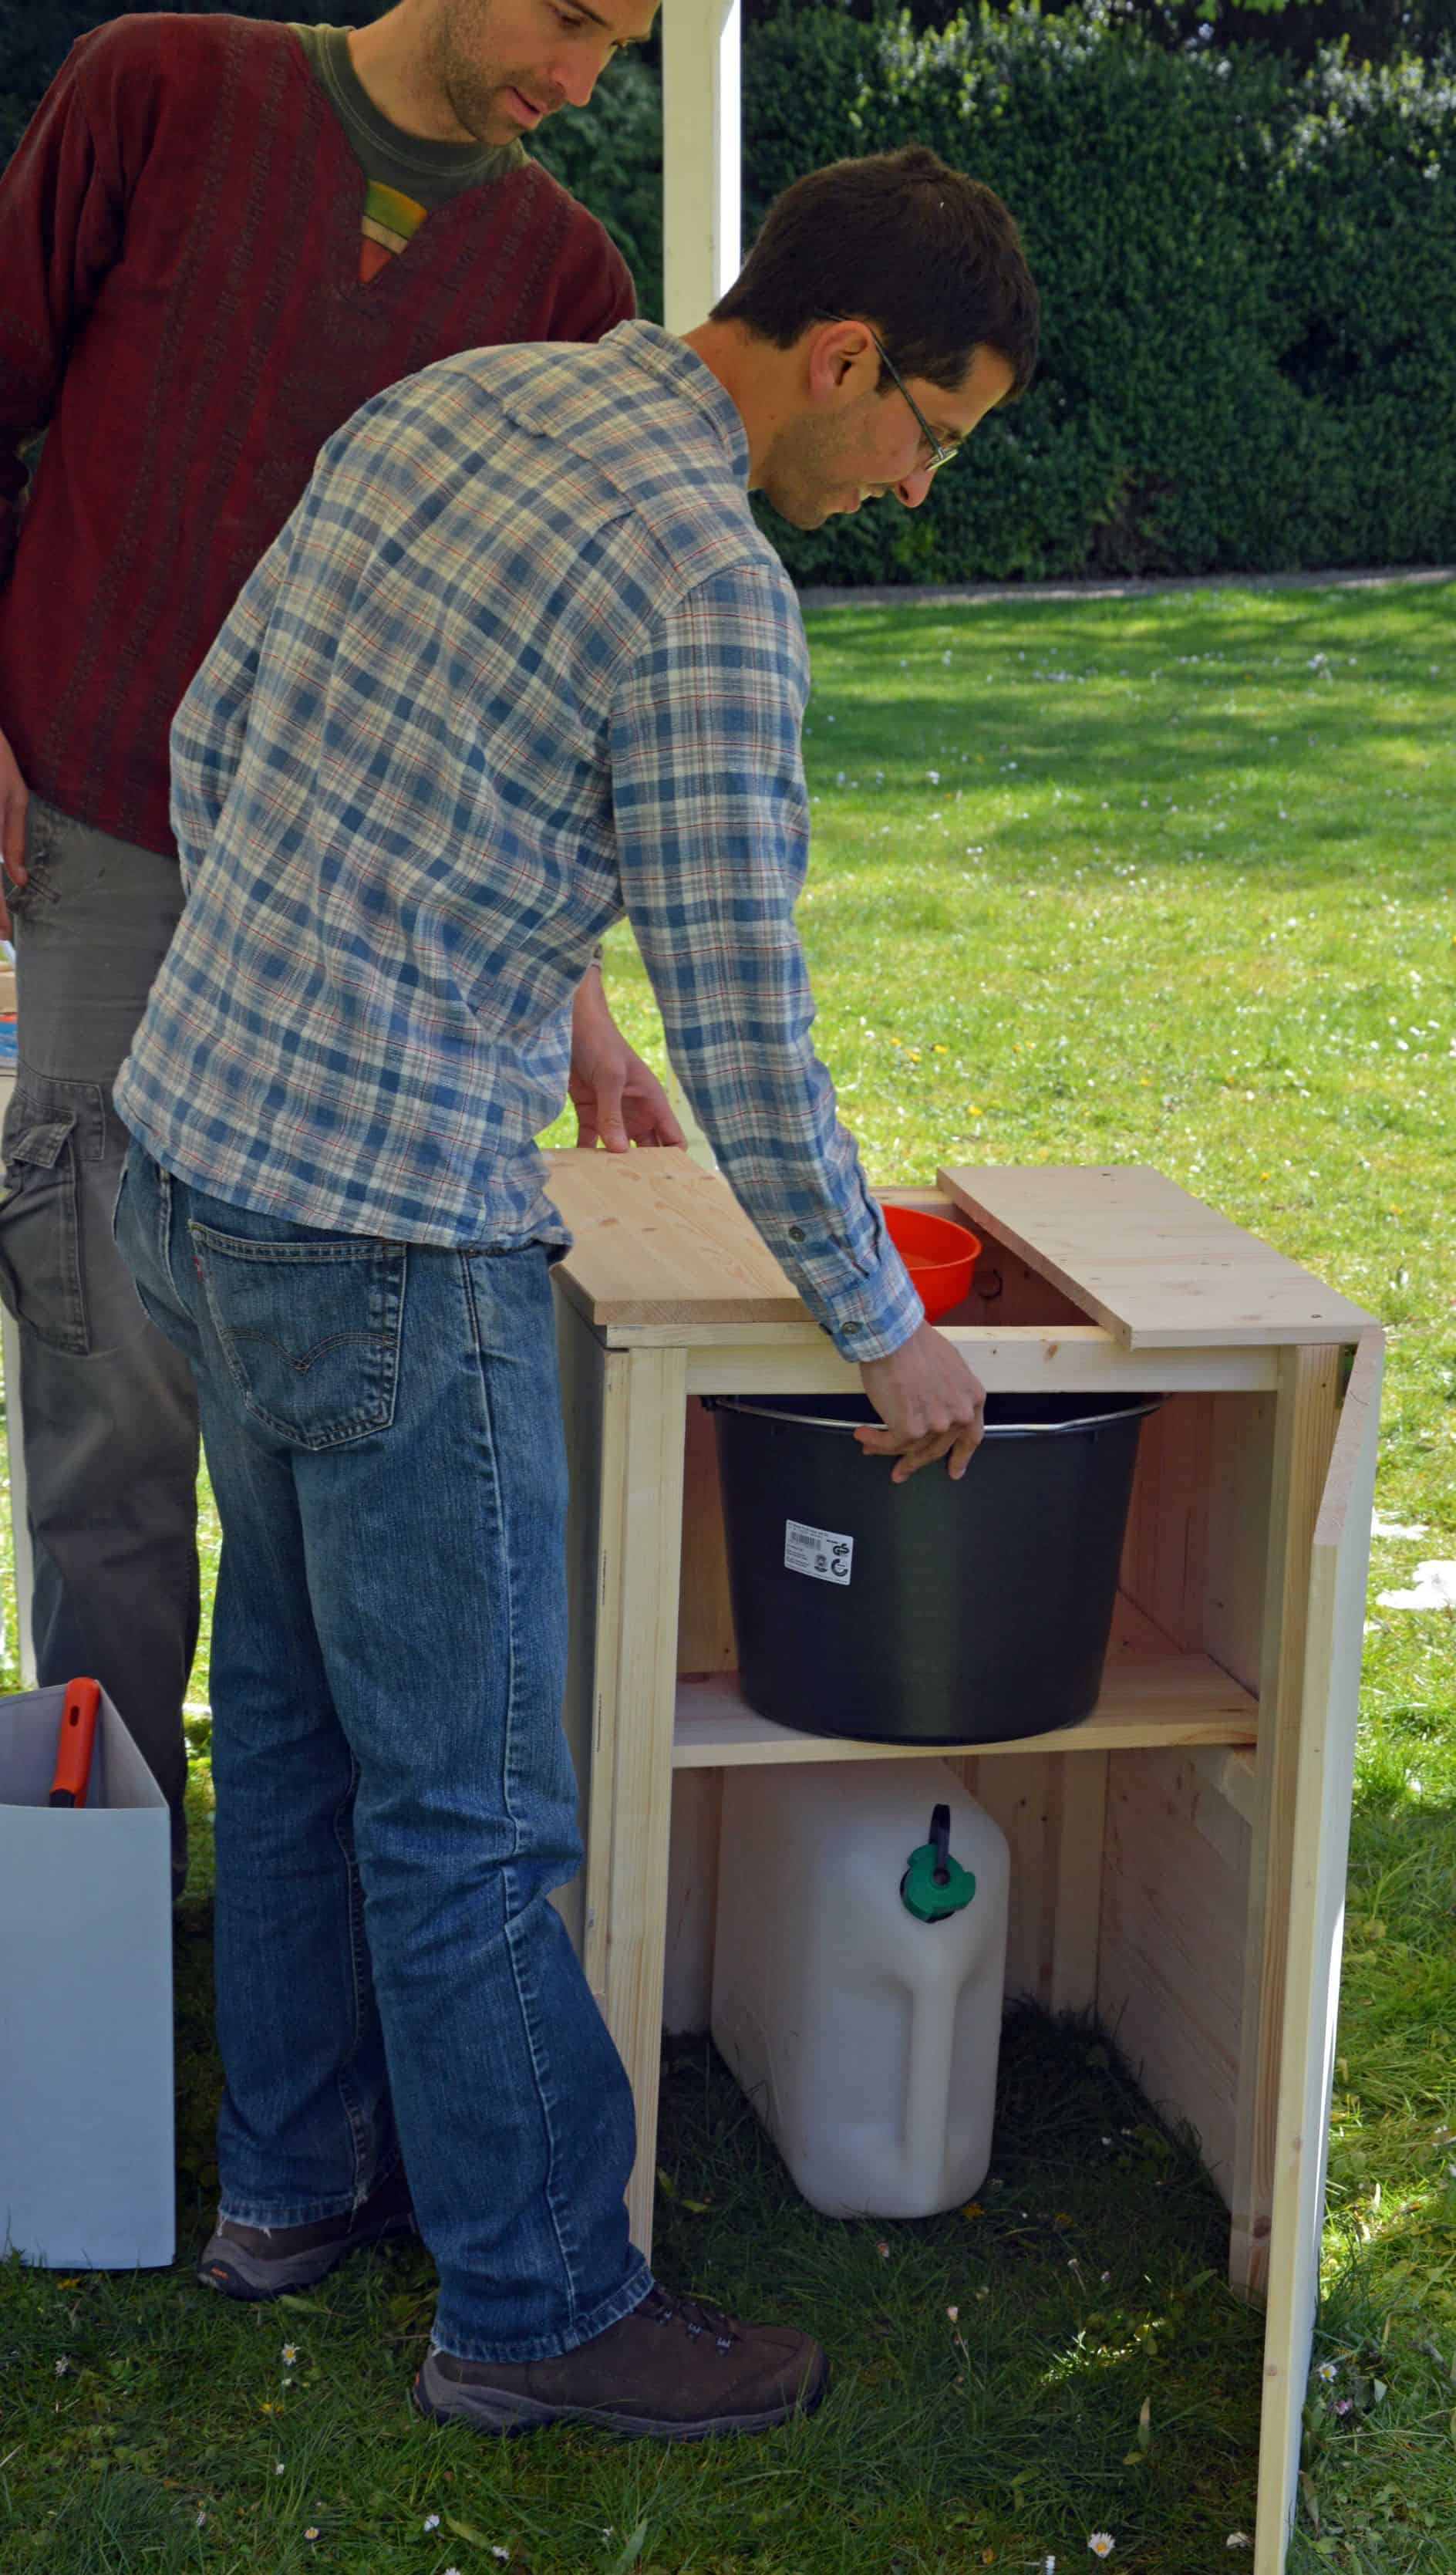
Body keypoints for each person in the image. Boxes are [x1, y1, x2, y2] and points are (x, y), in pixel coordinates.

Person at [111, 142, 1040, 2438]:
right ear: (839, 358)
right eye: (925, 433)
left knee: (307, 1724)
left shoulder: (463, 402)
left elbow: (218, 743)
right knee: (475, 1805)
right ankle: (535, 2306)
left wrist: (524, 1006)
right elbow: (742, 1002)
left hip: (190, 1158)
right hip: (392, 1245)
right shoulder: (706, 583)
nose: (915, 488)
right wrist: (877, 1319)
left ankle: (291, 2189)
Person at [0, 0, 673, 1900]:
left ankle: (330, 1918)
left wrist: (575, 983)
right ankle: (102, 1904)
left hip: (374, 914)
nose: (578, 79)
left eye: (621, 44)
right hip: (104, 830)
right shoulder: (160, 91)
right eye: (568, 20)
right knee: (107, 1395)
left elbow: (532, 659)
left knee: (330, 1415)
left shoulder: (563, 273)